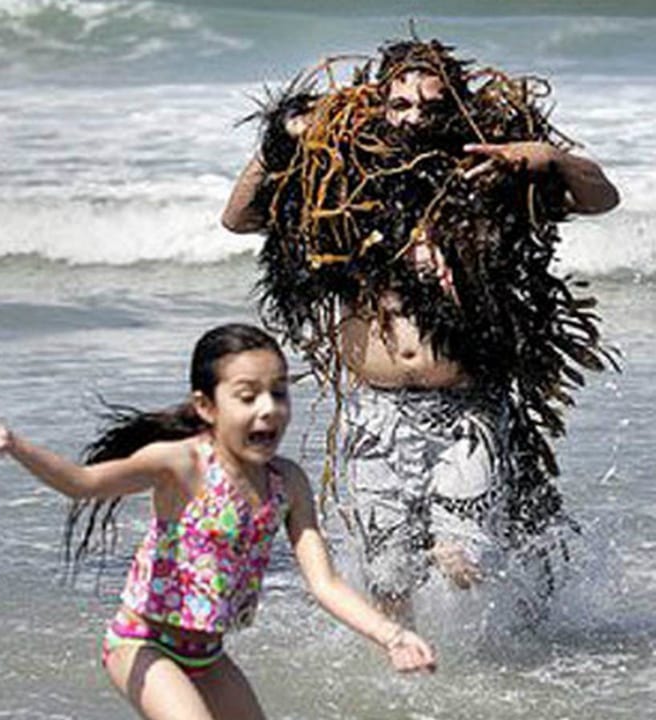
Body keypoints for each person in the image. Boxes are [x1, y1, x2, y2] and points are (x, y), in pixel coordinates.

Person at [221, 40, 620, 619]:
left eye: (430, 108)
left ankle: (504, 661)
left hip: (466, 410)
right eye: (400, 105)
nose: (414, 120)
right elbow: (239, 218)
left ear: (454, 109)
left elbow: (601, 199)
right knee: (388, 580)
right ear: (379, 105)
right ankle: (410, 683)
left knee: (461, 562)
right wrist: (281, 137)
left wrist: (550, 158)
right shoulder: (342, 189)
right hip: (374, 414)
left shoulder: (489, 183)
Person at [0, 323, 436, 720]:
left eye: (279, 393)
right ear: (206, 406)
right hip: (141, 644)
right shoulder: (181, 465)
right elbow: (83, 483)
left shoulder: (287, 483)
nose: (268, 409)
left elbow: (325, 583)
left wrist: (390, 635)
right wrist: (14, 444)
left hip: (207, 654)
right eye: (247, 396)